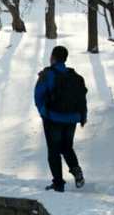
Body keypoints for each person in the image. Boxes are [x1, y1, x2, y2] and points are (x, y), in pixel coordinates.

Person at [33, 45, 87, 191]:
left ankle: (58, 184)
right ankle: (76, 171)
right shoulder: (75, 76)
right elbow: (82, 98)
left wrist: (44, 112)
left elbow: (38, 95)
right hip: (72, 119)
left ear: (54, 58)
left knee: (54, 151)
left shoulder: (48, 74)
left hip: (53, 118)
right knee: (67, 147)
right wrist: (82, 117)